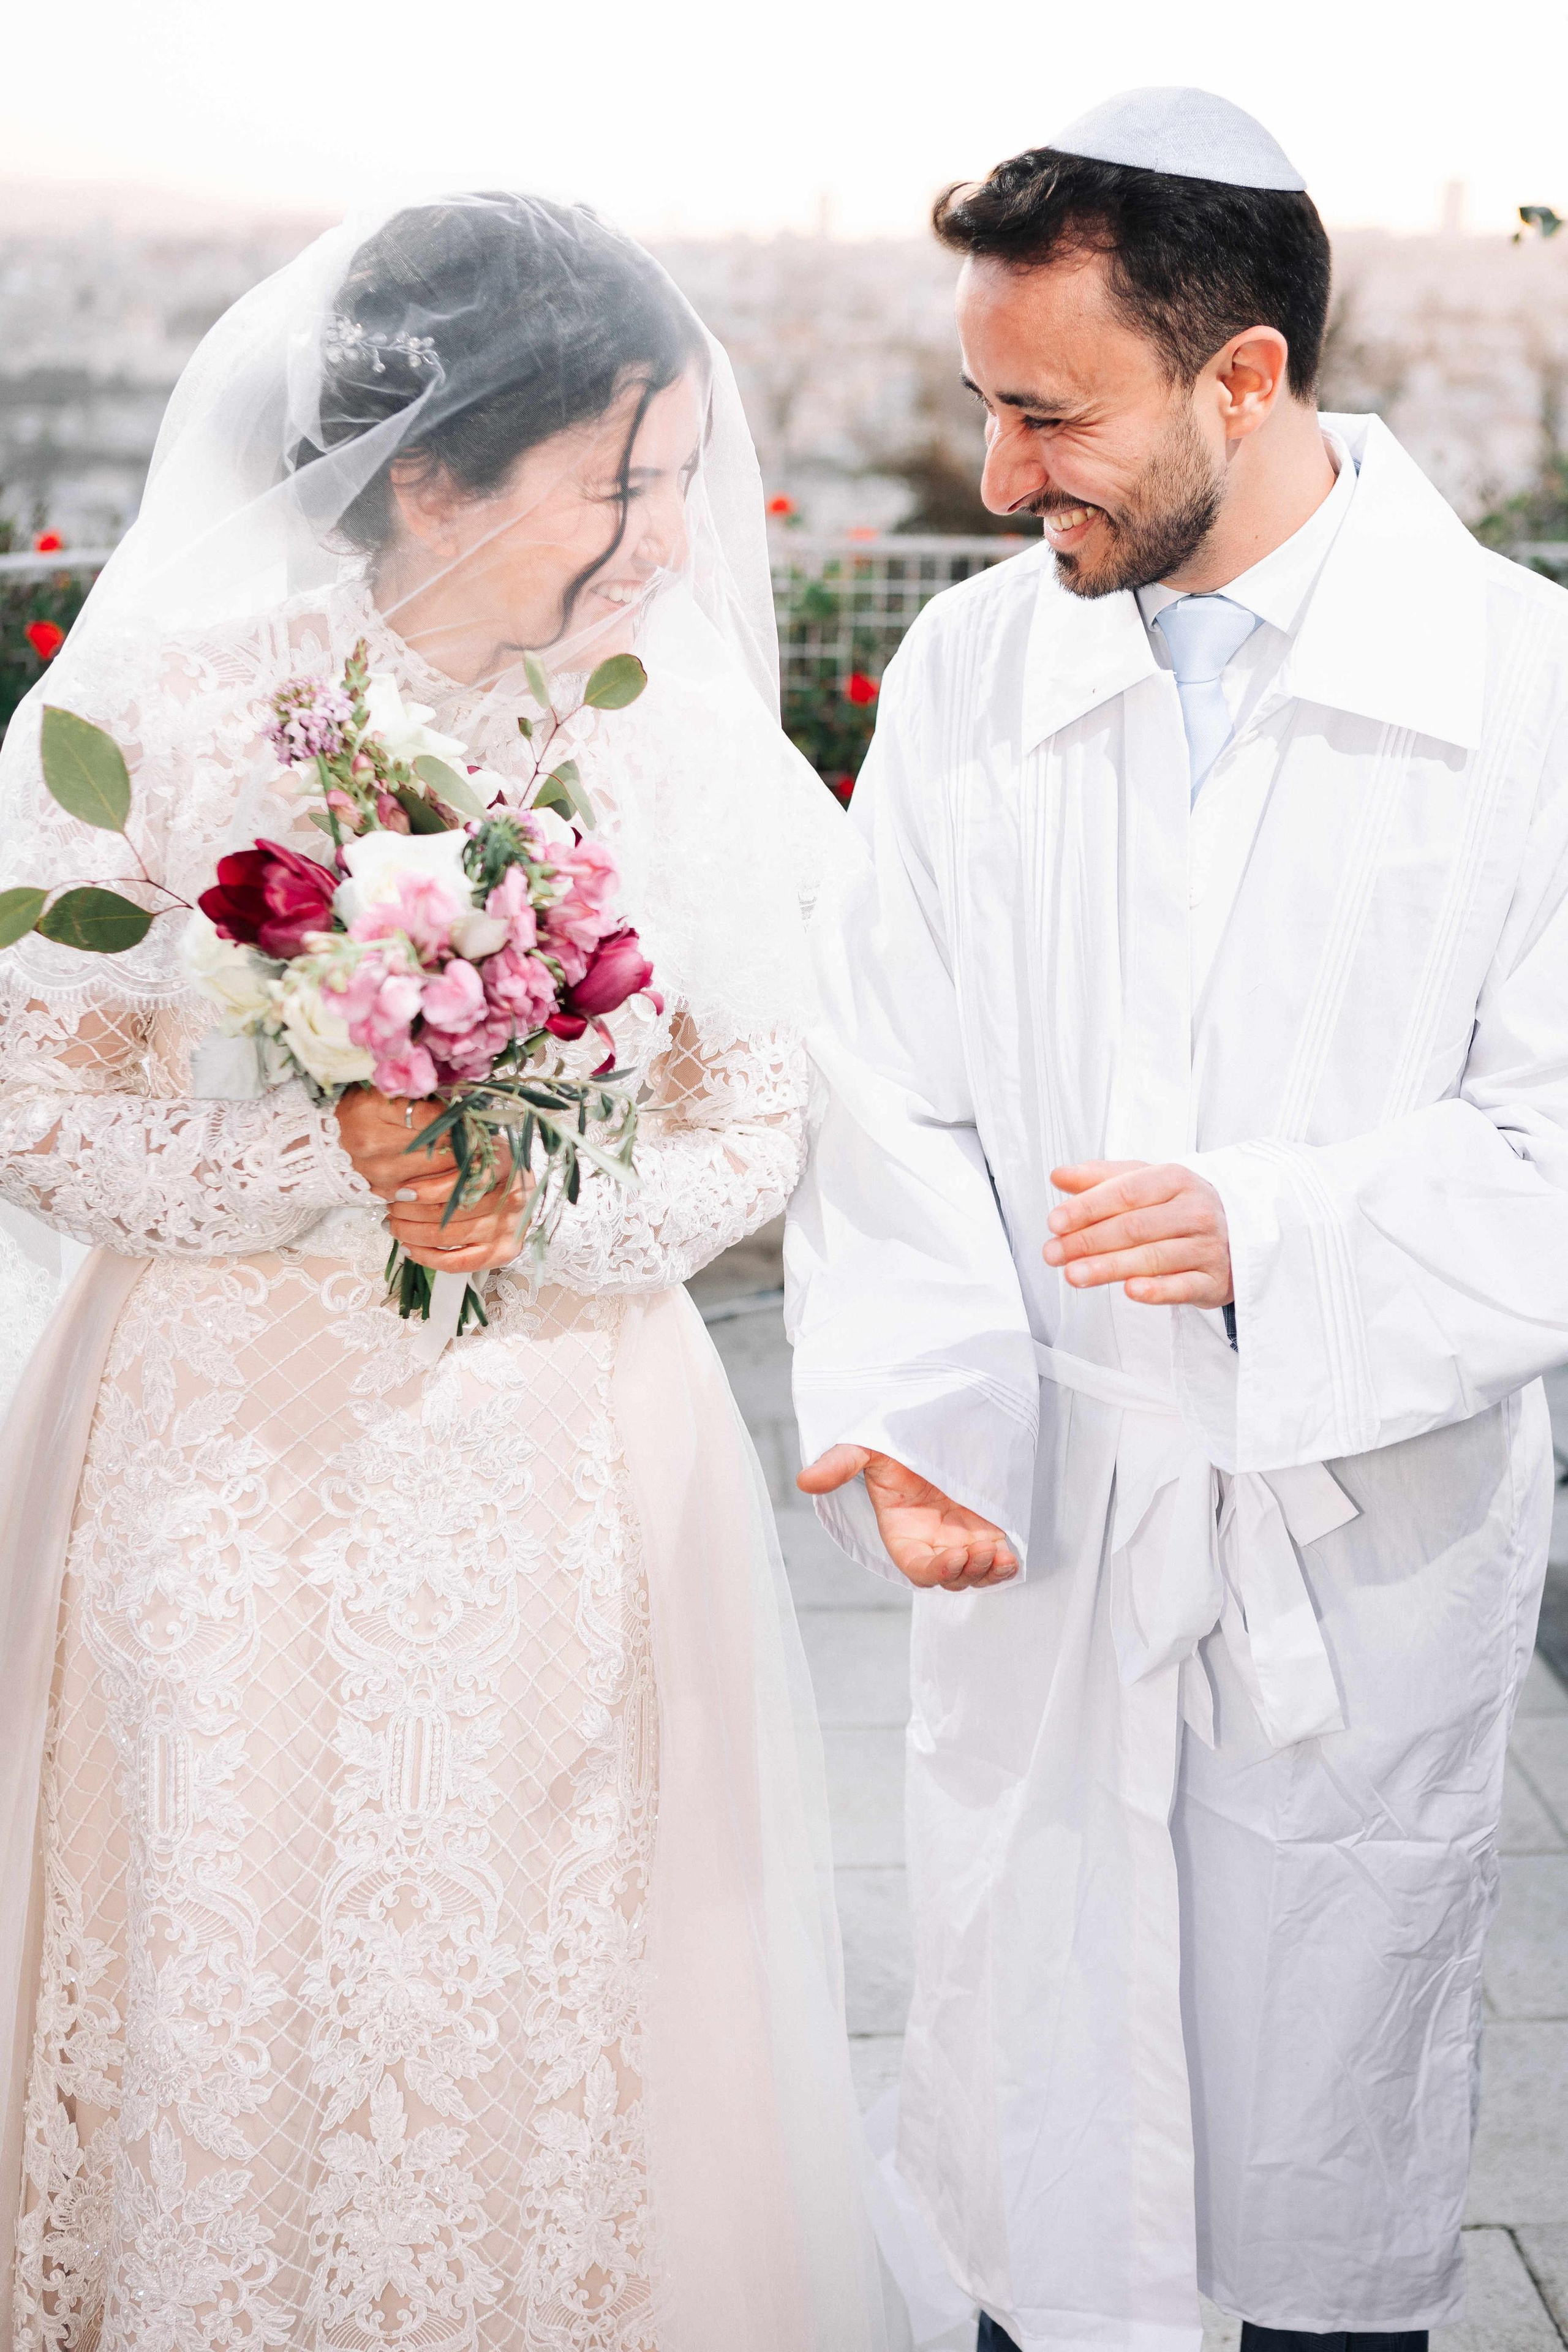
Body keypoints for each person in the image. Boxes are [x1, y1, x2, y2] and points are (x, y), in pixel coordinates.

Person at [0, 193, 888, 2352]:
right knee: (221, 1926)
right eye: (623, 481)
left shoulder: (670, 743)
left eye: (679, 478)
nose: (673, 540)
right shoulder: (178, 718)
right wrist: (327, 1155)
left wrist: (540, 1207)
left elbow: (758, 1108)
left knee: (533, 1950)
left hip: (557, 1450)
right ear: (427, 475)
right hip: (222, 1466)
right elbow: (32, 1097)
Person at [786, 86, 1568, 2352]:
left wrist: (1281, 1235)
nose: (1008, 478)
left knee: (1321, 2163)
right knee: (1046, 2157)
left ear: (1245, 379)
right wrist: (928, 1410)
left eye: (1050, 415)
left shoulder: (1526, 696)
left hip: (1353, 1536)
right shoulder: (968, 674)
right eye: (982, 410)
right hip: (1048, 1524)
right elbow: (880, 1081)